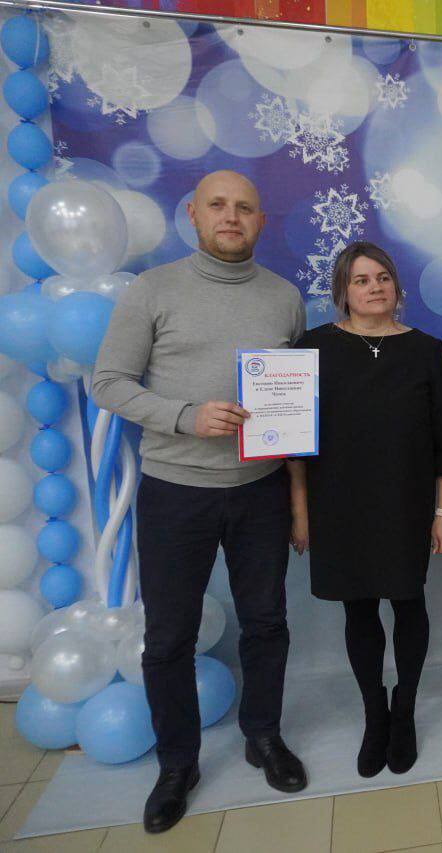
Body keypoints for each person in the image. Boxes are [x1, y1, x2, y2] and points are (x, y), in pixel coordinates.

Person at [92, 171, 308, 833]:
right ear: (193, 213)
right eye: (218, 205)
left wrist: (298, 494)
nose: (231, 216)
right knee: (168, 638)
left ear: (261, 220)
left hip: (261, 492)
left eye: (245, 207)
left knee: (266, 622)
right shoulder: (151, 290)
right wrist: (186, 416)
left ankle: (262, 735)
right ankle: (177, 764)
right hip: (175, 491)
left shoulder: (284, 298)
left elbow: (293, 402)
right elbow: (108, 382)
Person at [286, 242, 442, 778]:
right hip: (338, 505)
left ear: (397, 286)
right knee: (358, 610)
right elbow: (294, 443)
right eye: (361, 280)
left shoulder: (426, 350)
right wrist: (300, 513)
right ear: (343, 291)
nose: (374, 287)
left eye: (382, 277)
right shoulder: (311, 349)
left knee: (409, 604)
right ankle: (374, 714)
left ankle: (404, 710)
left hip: (406, 504)